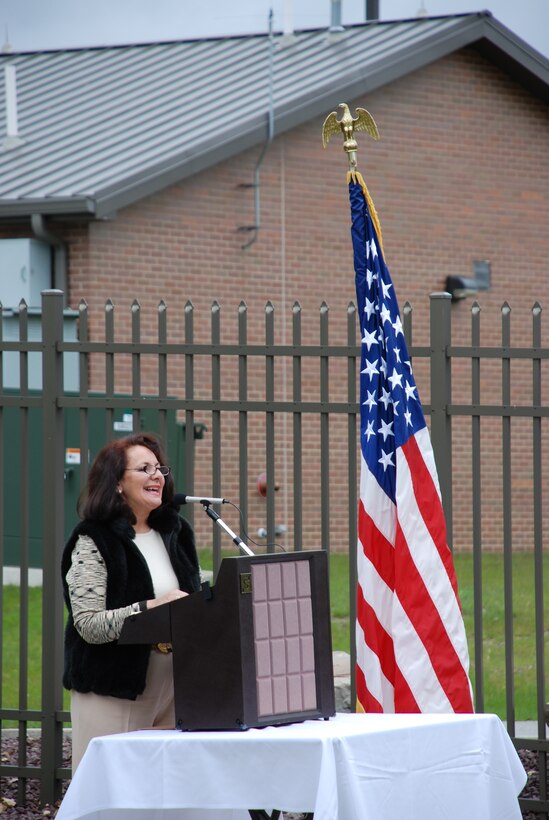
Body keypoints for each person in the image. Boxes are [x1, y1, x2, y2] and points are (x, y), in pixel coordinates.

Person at [61, 432, 201, 771]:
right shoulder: (93, 539)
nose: (157, 475)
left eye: (160, 468)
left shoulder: (176, 532)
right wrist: (151, 608)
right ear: (118, 484)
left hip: (174, 683)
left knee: (170, 792)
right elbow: (90, 624)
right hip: (113, 686)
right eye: (144, 468)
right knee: (113, 791)